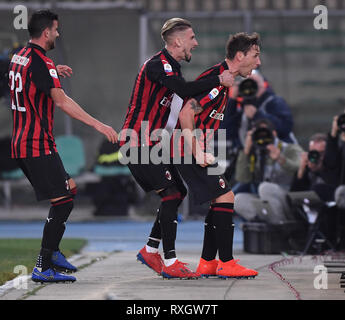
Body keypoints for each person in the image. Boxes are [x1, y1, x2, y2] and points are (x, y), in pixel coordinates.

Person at [118, 18, 234, 279]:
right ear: (178, 40)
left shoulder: (171, 67)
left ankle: (150, 249)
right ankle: (170, 263)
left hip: (152, 143)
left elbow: (185, 93)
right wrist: (218, 79)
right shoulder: (158, 65)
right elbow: (184, 89)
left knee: (178, 192)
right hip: (138, 141)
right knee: (171, 195)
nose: (196, 42)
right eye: (192, 38)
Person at [8, 10, 118, 283]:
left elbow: (30, 76)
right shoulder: (41, 62)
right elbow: (62, 101)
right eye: (56, 30)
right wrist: (99, 125)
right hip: (36, 144)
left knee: (68, 189)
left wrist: (53, 71)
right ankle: (43, 265)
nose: (58, 34)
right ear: (46, 33)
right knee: (64, 200)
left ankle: (53, 253)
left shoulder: (19, 56)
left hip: (22, 142)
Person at [175, 32, 261, 279]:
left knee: (219, 200)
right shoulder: (216, 81)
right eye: (255, 56)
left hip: (194, 149)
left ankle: (208, 262)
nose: (258, 62)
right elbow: (185, 115)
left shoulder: (225, 82)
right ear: (240, 55)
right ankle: (226, 262)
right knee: (226, 195)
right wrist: (198, 150)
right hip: (187, 150)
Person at [234, 118, 303, 223]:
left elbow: (302, 169)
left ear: (274, 133)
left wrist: (281, 159)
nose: (262, 137)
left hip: (288, 199)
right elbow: (242, 178)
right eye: (258, 134)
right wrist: (246, 152)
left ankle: (282, 227)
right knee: (237, 199)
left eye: (265, 133)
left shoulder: (290, 148)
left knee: (265, 187)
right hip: (266, 201)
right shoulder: (256, 153)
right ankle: (268, 226)